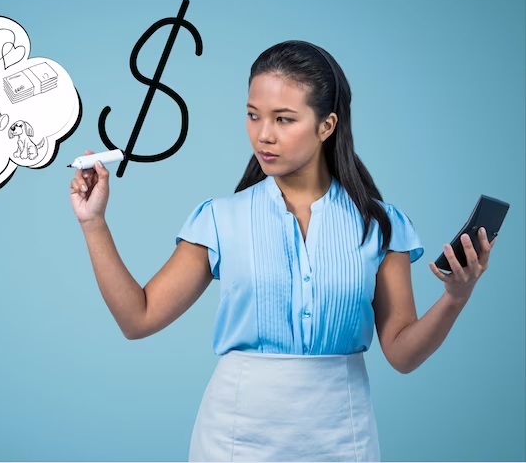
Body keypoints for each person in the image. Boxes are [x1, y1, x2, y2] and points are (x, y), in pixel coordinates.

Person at [68, 40, 496, 462]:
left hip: (342, 437)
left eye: (284, 119)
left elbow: (402, 354)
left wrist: (455, 298)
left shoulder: (380, 226)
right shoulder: (220, 218)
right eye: (253, 116)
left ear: (326, 126)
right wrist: (94, 223)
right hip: (235, 437)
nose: (263, 134)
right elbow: (137, 319)